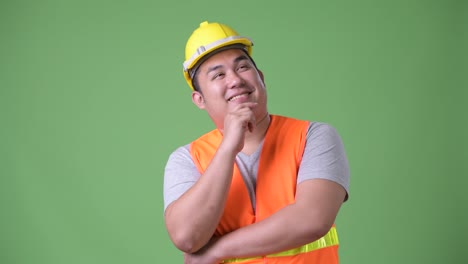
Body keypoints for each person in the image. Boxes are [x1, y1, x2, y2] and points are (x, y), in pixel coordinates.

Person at [163, 21, 350, 264]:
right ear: (199, 99)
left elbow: (312, 219)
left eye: (242, 67)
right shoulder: (186, 159)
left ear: (260, 78)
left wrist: (215, 251)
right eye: (218, 74)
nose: (234, 80)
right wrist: (228, 147)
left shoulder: (314, 136)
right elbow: (187, 237)